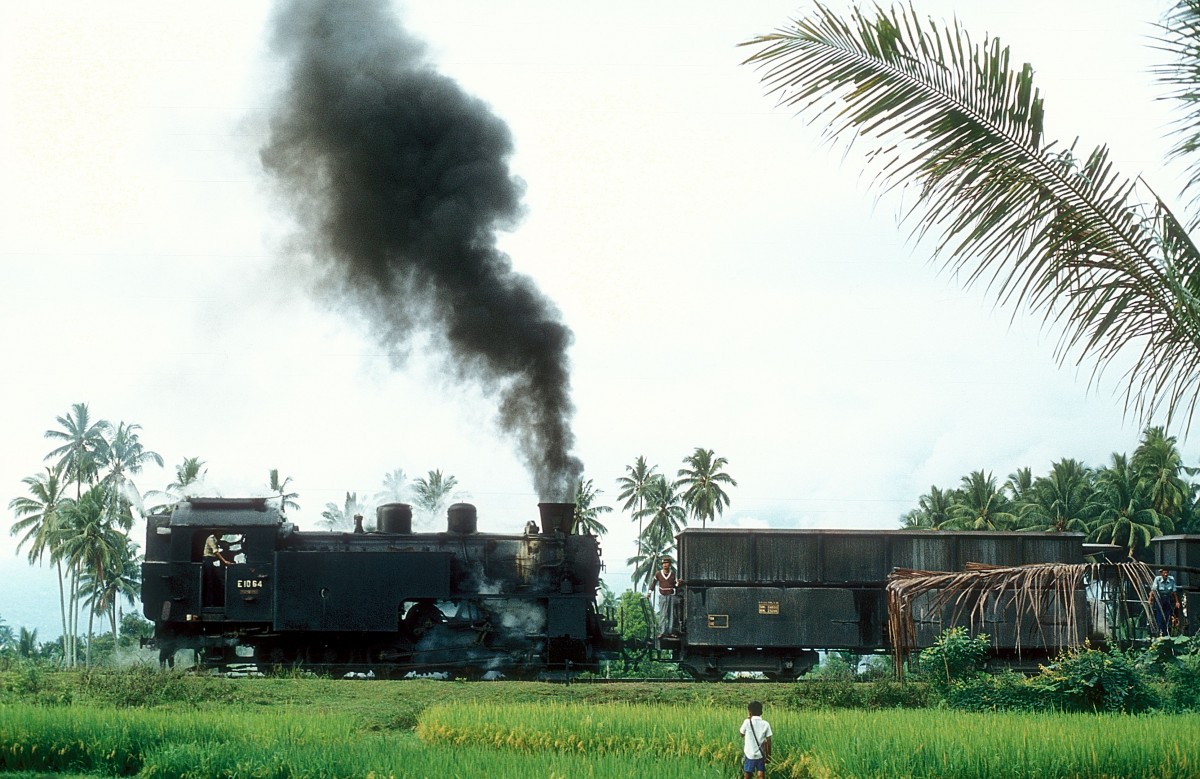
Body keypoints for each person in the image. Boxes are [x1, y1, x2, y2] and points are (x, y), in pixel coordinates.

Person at [739, 700, 772, 779]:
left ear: (749, 712)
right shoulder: (766, 724)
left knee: (747, 774)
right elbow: (769, 741)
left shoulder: (747, 722)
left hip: (749, 754)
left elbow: (741, 734)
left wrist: (749, 718)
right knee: (761, 774)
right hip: (760, 754)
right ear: (761, 712)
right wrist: (768, 756)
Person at [648, 556, 680, 637]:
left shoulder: (673, 574)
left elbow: (675, 585)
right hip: (662, 596)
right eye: (664, 563)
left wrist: (679, 583)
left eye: (667, 563)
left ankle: (670, 632)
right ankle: (662, 632)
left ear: (670, 565)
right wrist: (649, 592)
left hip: (671, 596)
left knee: (671, 614)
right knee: (663, 614)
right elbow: (653, 583)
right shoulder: (658, 574)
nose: (665, 565)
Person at [202, 533, 233, 607]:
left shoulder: (217, 539)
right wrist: (225, 561)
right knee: (210, 581)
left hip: (212, 560)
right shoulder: (211, 539)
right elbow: (215, 551)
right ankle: (210, 603)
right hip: (208, 561)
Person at [1149, 567, 1179, 637]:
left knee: (1167, 616)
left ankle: (1165, 632)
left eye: (1167, 572)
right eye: (1164, 573)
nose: (1166, 574)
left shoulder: (1171, 579)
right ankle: (1158, 632)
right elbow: (1153, 589)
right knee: (1159, 616)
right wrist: (1150, 599)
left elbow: (1174, 591)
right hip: (1159, 599)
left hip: (1167, 599)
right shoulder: (1157, 579)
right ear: (1161, 573)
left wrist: (1177, 601)